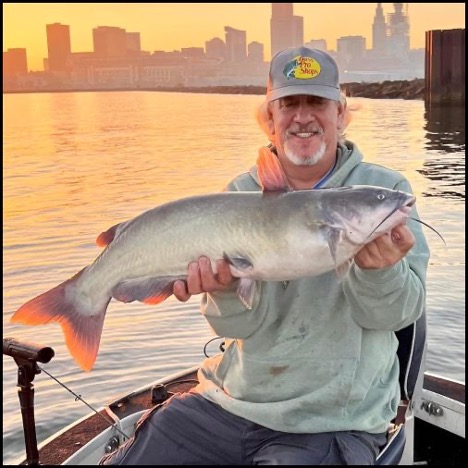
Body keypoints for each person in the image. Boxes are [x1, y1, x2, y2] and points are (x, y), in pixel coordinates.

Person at [100, 46, 429, 465]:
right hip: (234, 400)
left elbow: (395, 317)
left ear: (340, 115)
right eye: (288, 104)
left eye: (318, 103)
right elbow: (239, 325)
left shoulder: (384, 191)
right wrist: (222, 291)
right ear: (269, 119)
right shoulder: (240, 194)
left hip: (333, 417)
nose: (303, 116)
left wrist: (381, 273)